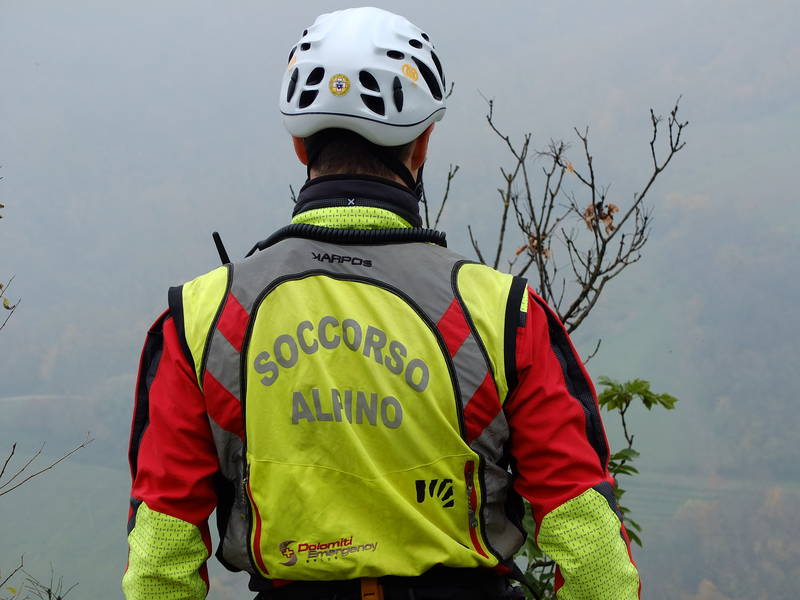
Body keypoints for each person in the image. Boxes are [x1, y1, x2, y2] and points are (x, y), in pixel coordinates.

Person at [123, 7, 640, 600]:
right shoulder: (504, 317)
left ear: (299, 144)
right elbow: (595, 557)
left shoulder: (201, 321)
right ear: (423, 141)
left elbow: (162, 560)